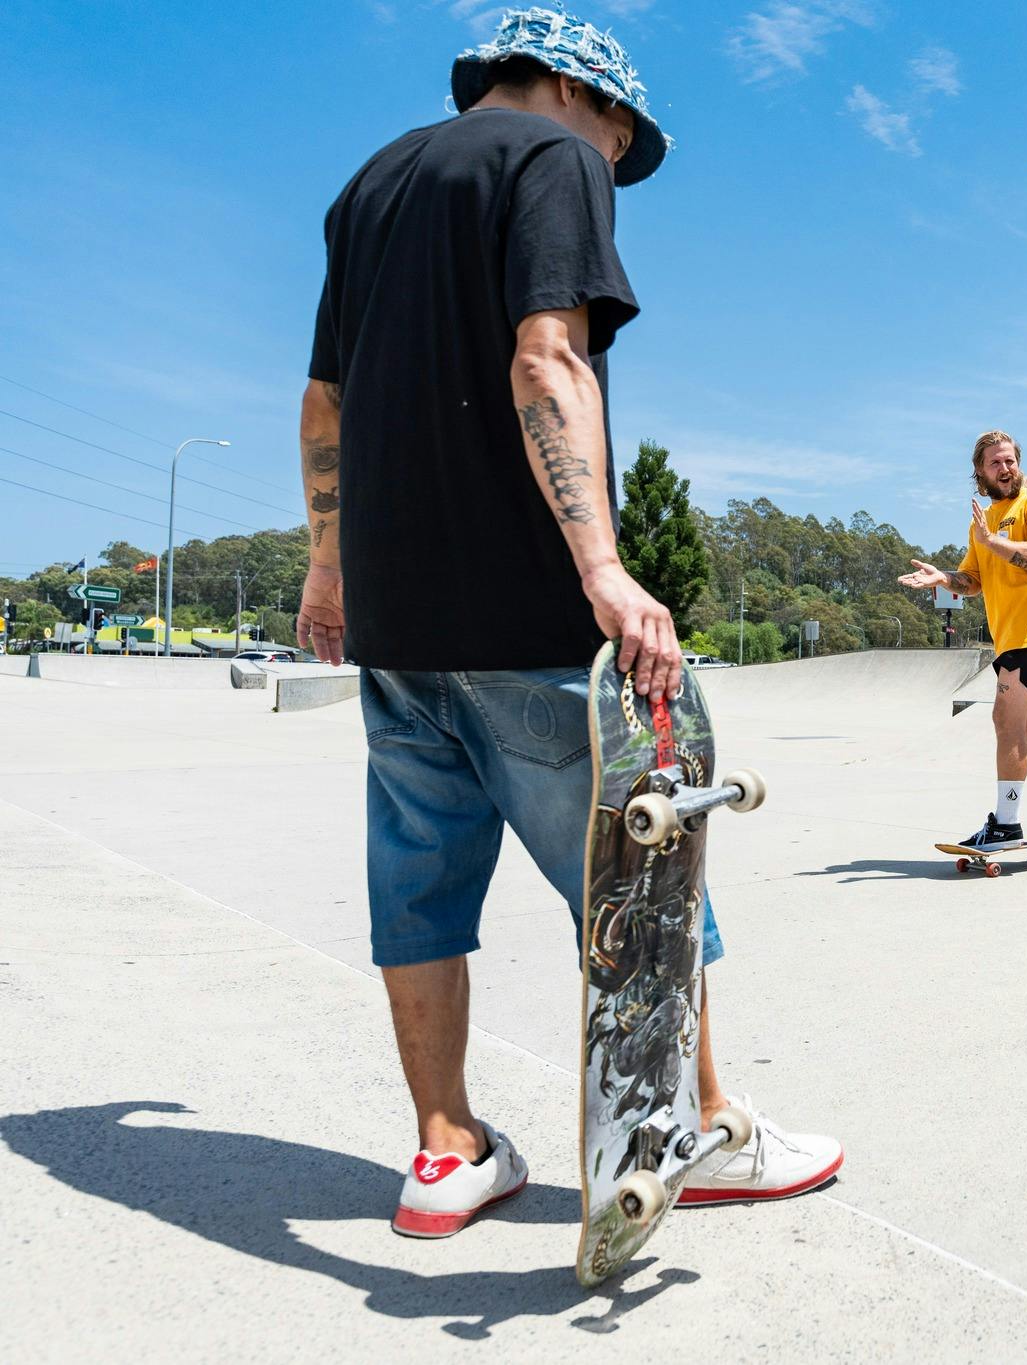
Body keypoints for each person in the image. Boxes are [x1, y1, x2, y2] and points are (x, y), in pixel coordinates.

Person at [296, 8, 839, 1240]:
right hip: (529, 622)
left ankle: (445, 1153)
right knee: (647, 877)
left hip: (399, 626)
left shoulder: (366, 189)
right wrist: (601, 564)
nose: (616, 157)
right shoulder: (552, 159)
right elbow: (548, 356)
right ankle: (700, 1130)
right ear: (567, 88)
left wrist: (328, 568)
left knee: (418, 892)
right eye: (619, 131)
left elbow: (324, 402)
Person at [898, 431, 1027, 850]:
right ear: (980, 472)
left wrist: (993, 541)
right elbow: (973, 580)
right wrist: (945, 578)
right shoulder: (982, 521)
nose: (1005, 468)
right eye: (995, 462)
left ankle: (1005, 824)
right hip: (1013, 635)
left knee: (1005, 720)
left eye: (1010, 460)